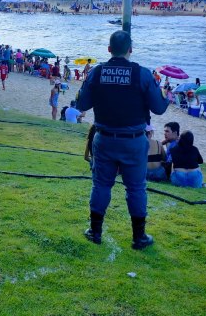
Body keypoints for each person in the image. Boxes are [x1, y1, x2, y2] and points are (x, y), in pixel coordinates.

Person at [76, 30, 169, 250]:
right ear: (130, 49)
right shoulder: (142, 74)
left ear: (109, 50)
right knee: (136, 188)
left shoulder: (97, 73)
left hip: (105, 139)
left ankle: (95, 231)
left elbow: (81, 104)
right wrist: (166, 95)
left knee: (101, 184)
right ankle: (139, 237)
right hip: (134, 141)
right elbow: (158, 107)